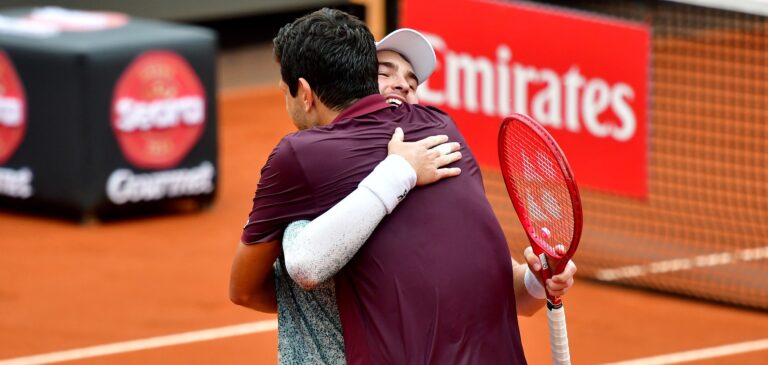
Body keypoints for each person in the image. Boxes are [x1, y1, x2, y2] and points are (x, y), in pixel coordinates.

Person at [230, 9, 573, 364]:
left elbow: (284, 272)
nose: (403, 85)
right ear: (361, 78)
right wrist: (398, 172)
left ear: (304, 93)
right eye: (384, 72)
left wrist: (536, 282)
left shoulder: (304, 154)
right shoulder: (442, 129)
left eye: (412, 81)